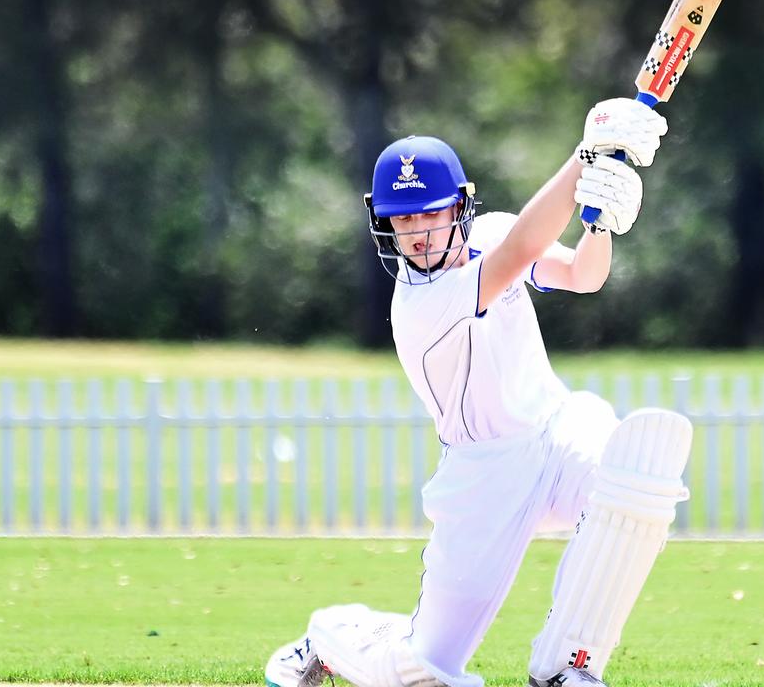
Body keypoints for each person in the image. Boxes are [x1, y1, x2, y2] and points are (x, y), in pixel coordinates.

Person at [264, 98, 691, 687]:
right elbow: (518, 253)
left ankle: (569, 669)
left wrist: (599, 223)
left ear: (460, 206)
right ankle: (332, 635)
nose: (415, 233)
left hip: (557, 431)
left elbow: (583, 277)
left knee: (631, 483)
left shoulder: (490, 234)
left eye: (429, 215)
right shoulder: (420, 305)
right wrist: (584, 158)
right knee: (423, 670)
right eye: (402, 219)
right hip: (483, 475)